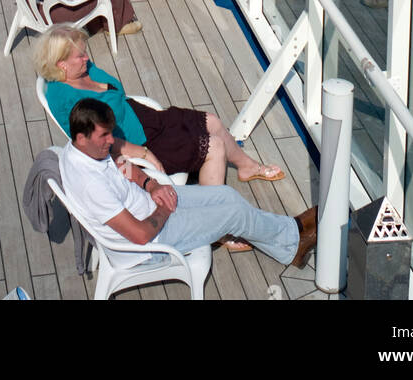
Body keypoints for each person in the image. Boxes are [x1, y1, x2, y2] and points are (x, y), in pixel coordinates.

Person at [60, 99, 317, 271]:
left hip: (151, 204)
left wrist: (150, 185)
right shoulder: (90, 185)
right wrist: (164, 209)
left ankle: (290, 245)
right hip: (151, 244)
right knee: (234, 214)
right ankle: (294, 234)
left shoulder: (85, 150)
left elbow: (120, 165)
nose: (111, 141)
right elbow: (139, 236)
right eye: (104, 135)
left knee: (225, 195)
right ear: (82, 137)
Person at [35, 24, 286, 192]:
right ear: (62, 65)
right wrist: (144, 154)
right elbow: (97, 145)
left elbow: (114, 95)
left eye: (85, 52)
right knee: (214, 146)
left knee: (211, 120)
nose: (87, 58)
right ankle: (220, 226)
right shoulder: (65, 99)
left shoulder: (83, 70)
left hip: (142, 118)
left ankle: (247, 166)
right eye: (79, 56)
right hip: (134, 142)